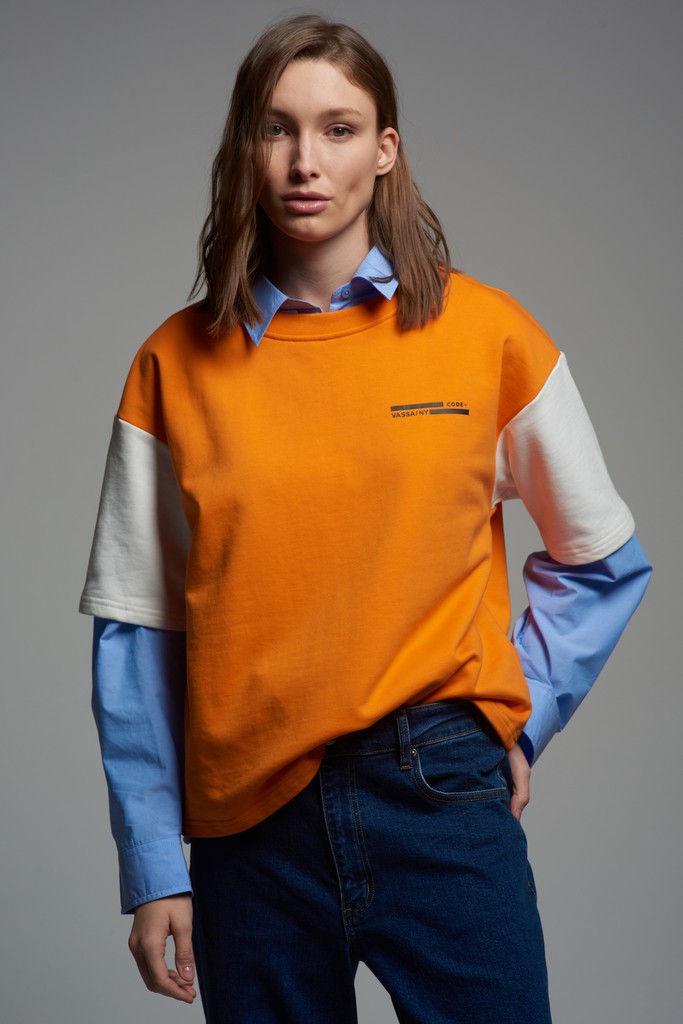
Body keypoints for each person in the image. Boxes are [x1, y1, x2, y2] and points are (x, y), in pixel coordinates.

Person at [79, 14, 651, 1023]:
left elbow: (602, 559)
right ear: (245, 148)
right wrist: (153, 861)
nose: (306, 161)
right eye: (277, 129)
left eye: (338, 129)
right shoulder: (171, 365)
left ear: (384, 150)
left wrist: (516, 721)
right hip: (247, 827)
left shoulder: (487, 335)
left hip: (437, 787)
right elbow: (136, 628)